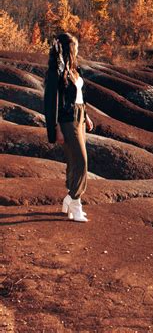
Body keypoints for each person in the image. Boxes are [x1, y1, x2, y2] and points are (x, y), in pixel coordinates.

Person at [43, 32, 94, 222]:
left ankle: (69, 198)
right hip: (66, 119)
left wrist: (86, 116)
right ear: (69, 49)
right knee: (81, 160)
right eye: (76, 46)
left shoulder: (73, 69)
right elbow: (51, 102)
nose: (78, 49)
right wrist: (55, 127)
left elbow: (78, 95)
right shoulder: (55, 72)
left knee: (73, 161)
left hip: (79, 115)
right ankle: (75, 201)